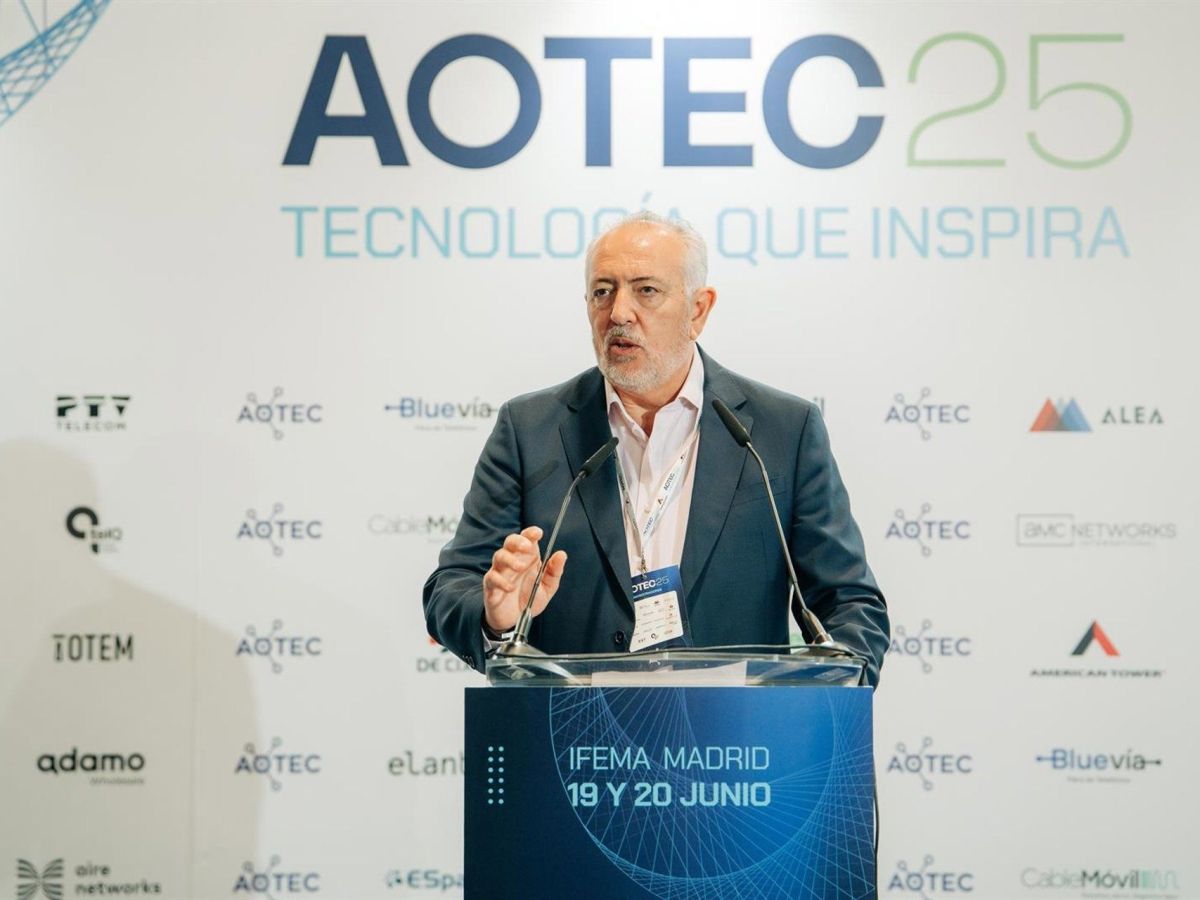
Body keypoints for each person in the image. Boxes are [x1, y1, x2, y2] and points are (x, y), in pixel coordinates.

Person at [422, 212, 889, 684]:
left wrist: (830, 696)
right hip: (570, 725)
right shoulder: (529, 429)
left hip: (736, 727)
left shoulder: (782, 431)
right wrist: (497, 617)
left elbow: (849, 604)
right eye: (602, 291)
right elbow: (451, 588)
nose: (619, 313)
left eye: (646, 290)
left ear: (698, 310)